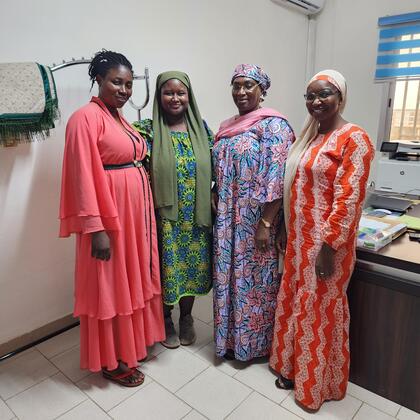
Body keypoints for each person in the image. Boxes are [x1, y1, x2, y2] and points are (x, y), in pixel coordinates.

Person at [269, 69, 374, 411]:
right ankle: (290, 368)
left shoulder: (354, 138)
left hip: (328, 246)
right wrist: (285, 228)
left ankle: (314, 386)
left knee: (319, 311)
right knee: (297, 301)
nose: (316, 101)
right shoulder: (311, 137)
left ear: (340, 98)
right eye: (310, 96)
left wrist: (329, 248)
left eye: (324, 94)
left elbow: (349, 201)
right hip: (300, 241)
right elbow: (294, 189)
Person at [59, 50, 165, 386]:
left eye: (129, 84)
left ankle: (129, 347)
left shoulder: (120, 118)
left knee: (128, 280)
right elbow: (81, 178)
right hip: (109, 217)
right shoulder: (84, 118)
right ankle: (110, 359)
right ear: (99, 80)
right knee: (109, 285)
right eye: (116, 82)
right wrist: (96, 229)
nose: (124, 90)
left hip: (132, 217)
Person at [212, 64, 294, 361]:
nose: (241, 91)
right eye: (236, 85)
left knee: (254, 283)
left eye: (249, 85)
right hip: (226, 219)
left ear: (262, 90)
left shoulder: (274, 126)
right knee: (229, 278)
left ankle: (254, 346)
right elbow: (219, 169)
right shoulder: (225, 126)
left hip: (256, 220)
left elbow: (279, 177)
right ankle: (229, 342)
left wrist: (267, 223)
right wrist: (213, 191)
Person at [133, 71, 213, 349]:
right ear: (159, 96)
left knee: (191, 270)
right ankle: (165, 318)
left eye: (181, 93)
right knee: (166, 268)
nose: (175, 98)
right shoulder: (146, 130)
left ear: (189, 96)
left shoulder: (202, 130)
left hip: (196, 216)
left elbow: (218, 167)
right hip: (163, 218)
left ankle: (186, 318)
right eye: (169, 92)